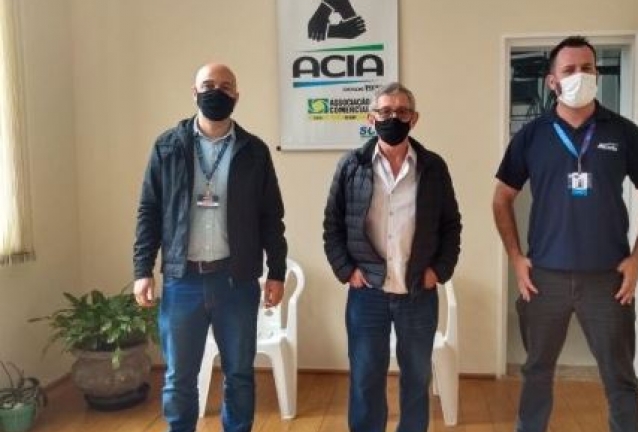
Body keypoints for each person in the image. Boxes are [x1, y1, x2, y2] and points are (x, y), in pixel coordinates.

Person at [492, 36, 638, 432]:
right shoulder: (532, 135)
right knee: (537, 372)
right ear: (552, 81)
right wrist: (516, 258)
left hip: (608, 281)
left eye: (588, 68)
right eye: (569, 70)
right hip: (544, 280)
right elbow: (501, 198)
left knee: (620, 378)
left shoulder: (622, 132)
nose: (580, 76)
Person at [133, 63, 288, 432]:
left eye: (225, 86)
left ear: (236, 95)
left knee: (239, 374)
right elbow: (149, 210)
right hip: (182, 280)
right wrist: (142, 269)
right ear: (194, 92)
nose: (216, 92)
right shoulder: (167, 146)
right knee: (179, 377)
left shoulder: (254, 151)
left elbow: (271, 216)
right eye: (207, 85)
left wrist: (277, 271)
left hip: (236, 281)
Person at [323, 82, 462, 432]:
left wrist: (438, 271)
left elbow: (451, 225)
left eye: (401, 111)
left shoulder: (433, 167)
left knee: (416, 378)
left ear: (414, 118)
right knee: (366, 377)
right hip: (367, 293)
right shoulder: (351, 165)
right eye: (385, 111)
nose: (393, 118)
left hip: (417, 292)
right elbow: (332, 225)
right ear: (371, 118)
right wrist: (347, 270)